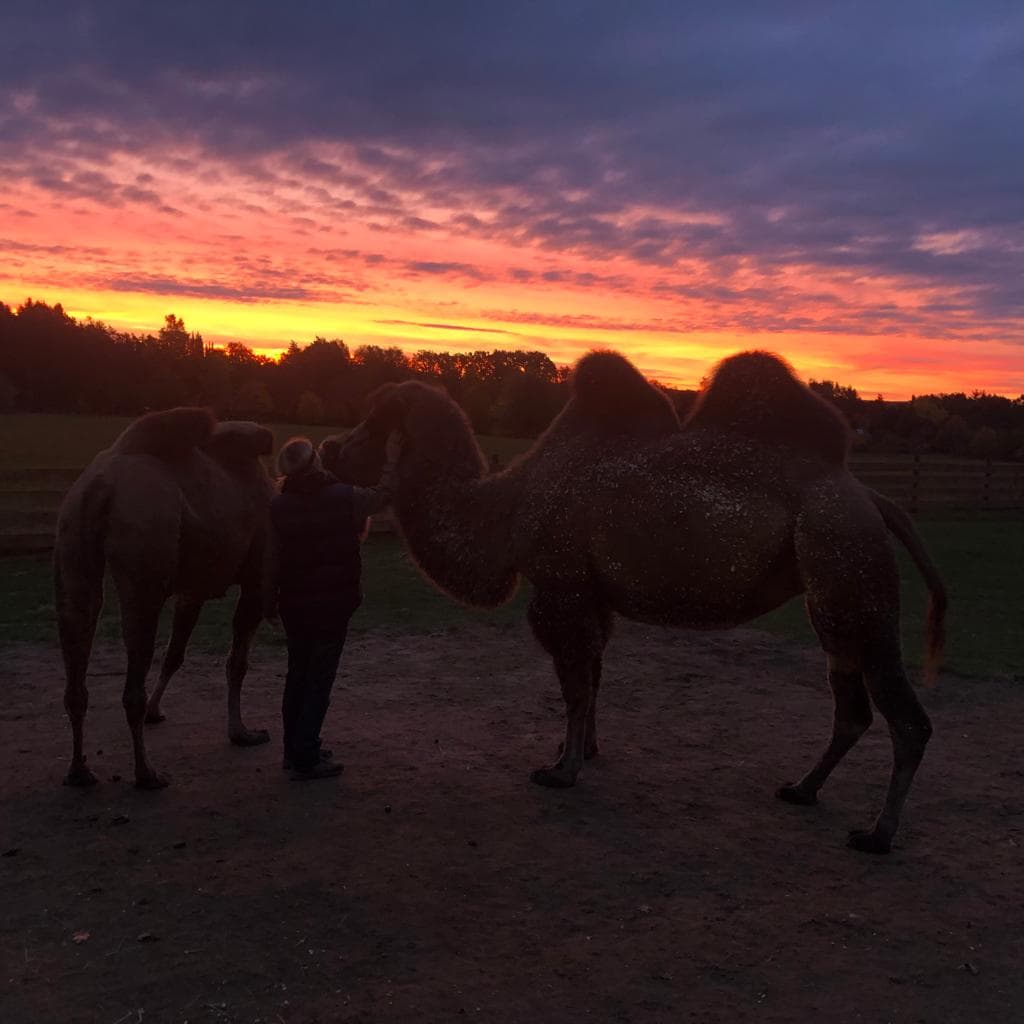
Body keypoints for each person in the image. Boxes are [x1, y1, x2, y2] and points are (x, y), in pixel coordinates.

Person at [263, 433, 399, 780]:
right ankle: (306, 757)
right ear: (316, 463)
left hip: (295, 605)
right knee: (319, 680)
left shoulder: (277, 507)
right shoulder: (345, 498)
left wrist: (268, 602)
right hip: (333, 605)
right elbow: (383, 495)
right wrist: (393, 460)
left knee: (297, 676)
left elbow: (271, 561)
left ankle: (294, 750)